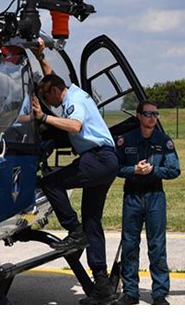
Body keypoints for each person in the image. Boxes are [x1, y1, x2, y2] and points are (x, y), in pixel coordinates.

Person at [30, 39, 119, 304]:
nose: (49, 104)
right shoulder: (72, 91)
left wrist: (43, 118)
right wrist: (41, 57)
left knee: (50, 182)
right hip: (106, 161)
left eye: (48, 99)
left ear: (57, 91)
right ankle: (101, 284)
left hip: (98, 159)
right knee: (93, 220)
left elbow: (75, 126)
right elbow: (51, 78)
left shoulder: (73, 104)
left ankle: (73, 231)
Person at [113, 100, 180, 305]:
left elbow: (174, 170)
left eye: (155, 114)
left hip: (154, 195)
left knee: (157, 245)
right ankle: (130, 292)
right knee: (130, 244)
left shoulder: (164, 141)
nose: (152, 117)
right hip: (132, 195)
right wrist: (133, 170)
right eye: (148, 113)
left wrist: (153, 170)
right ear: (139, 116)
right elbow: (115, 167)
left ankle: (159, 293)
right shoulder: (126, 140)